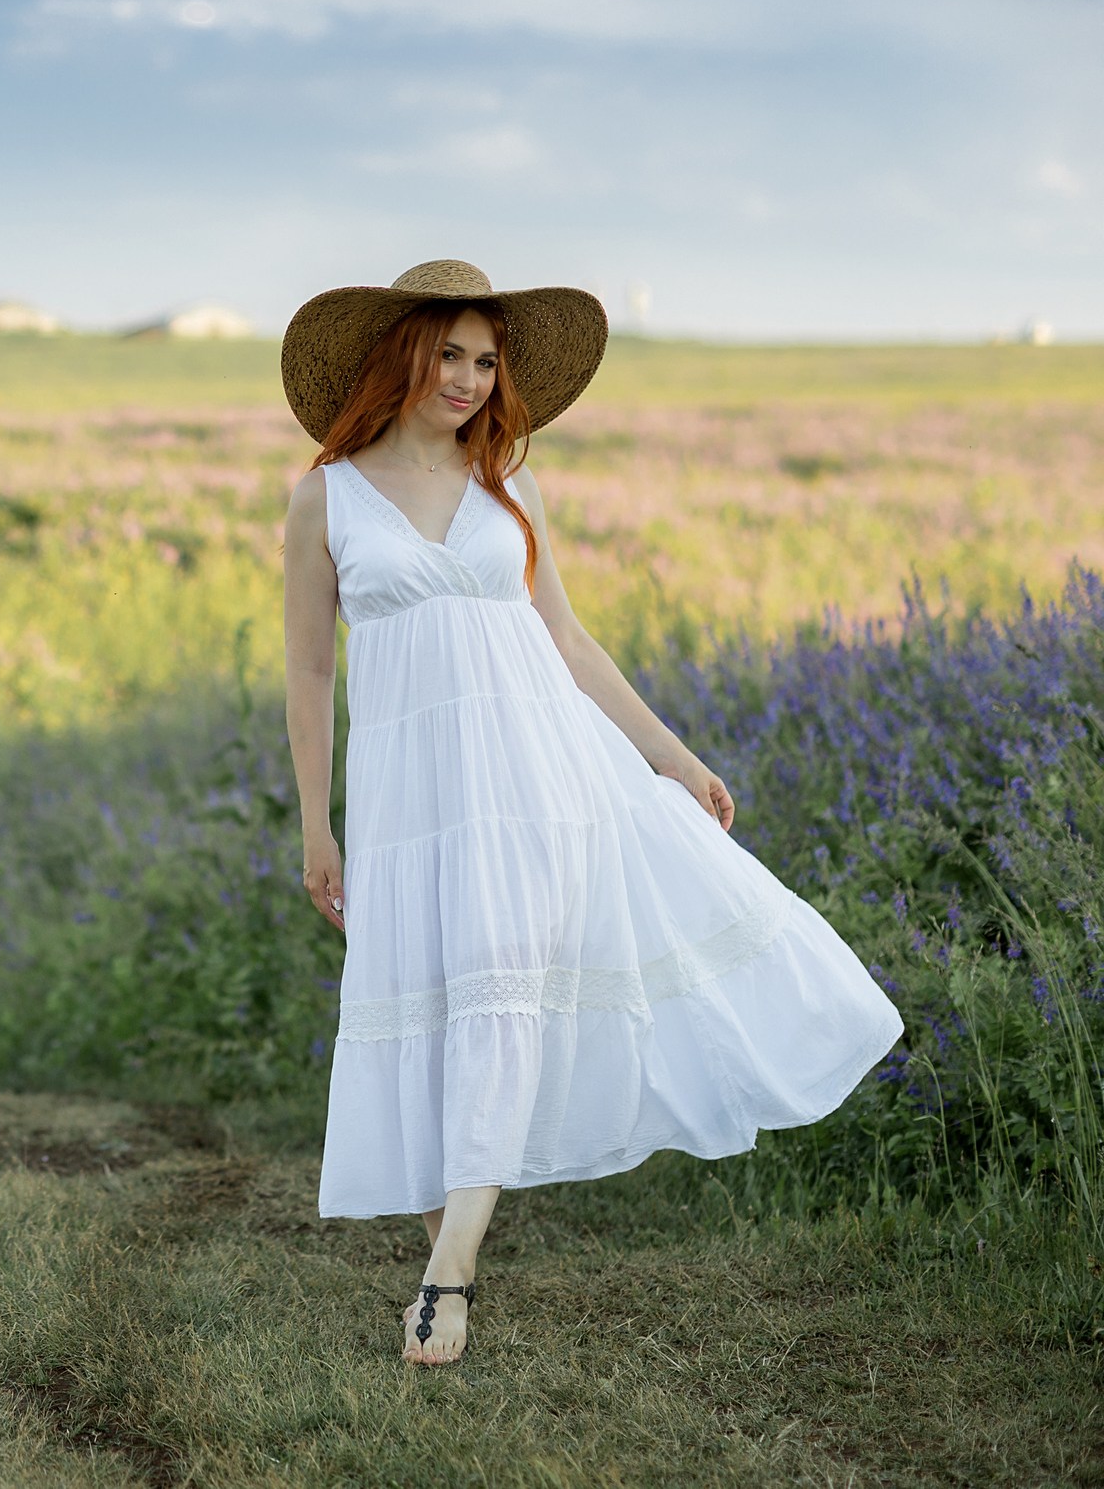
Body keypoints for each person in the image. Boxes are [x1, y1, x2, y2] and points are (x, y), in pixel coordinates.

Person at [276, 260, 903, 1366]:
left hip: (539, 780)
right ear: (401, 356)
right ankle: (445, 1260)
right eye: (451, 355)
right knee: (432, 1006)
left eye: (486, 360)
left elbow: (566, 642)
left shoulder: (507, 489)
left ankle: (448, 1277)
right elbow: (311, 672)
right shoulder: (324, 497)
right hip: (411, 799)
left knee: (505, 994)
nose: (470, 379)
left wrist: (669, 755)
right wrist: (316, 826)